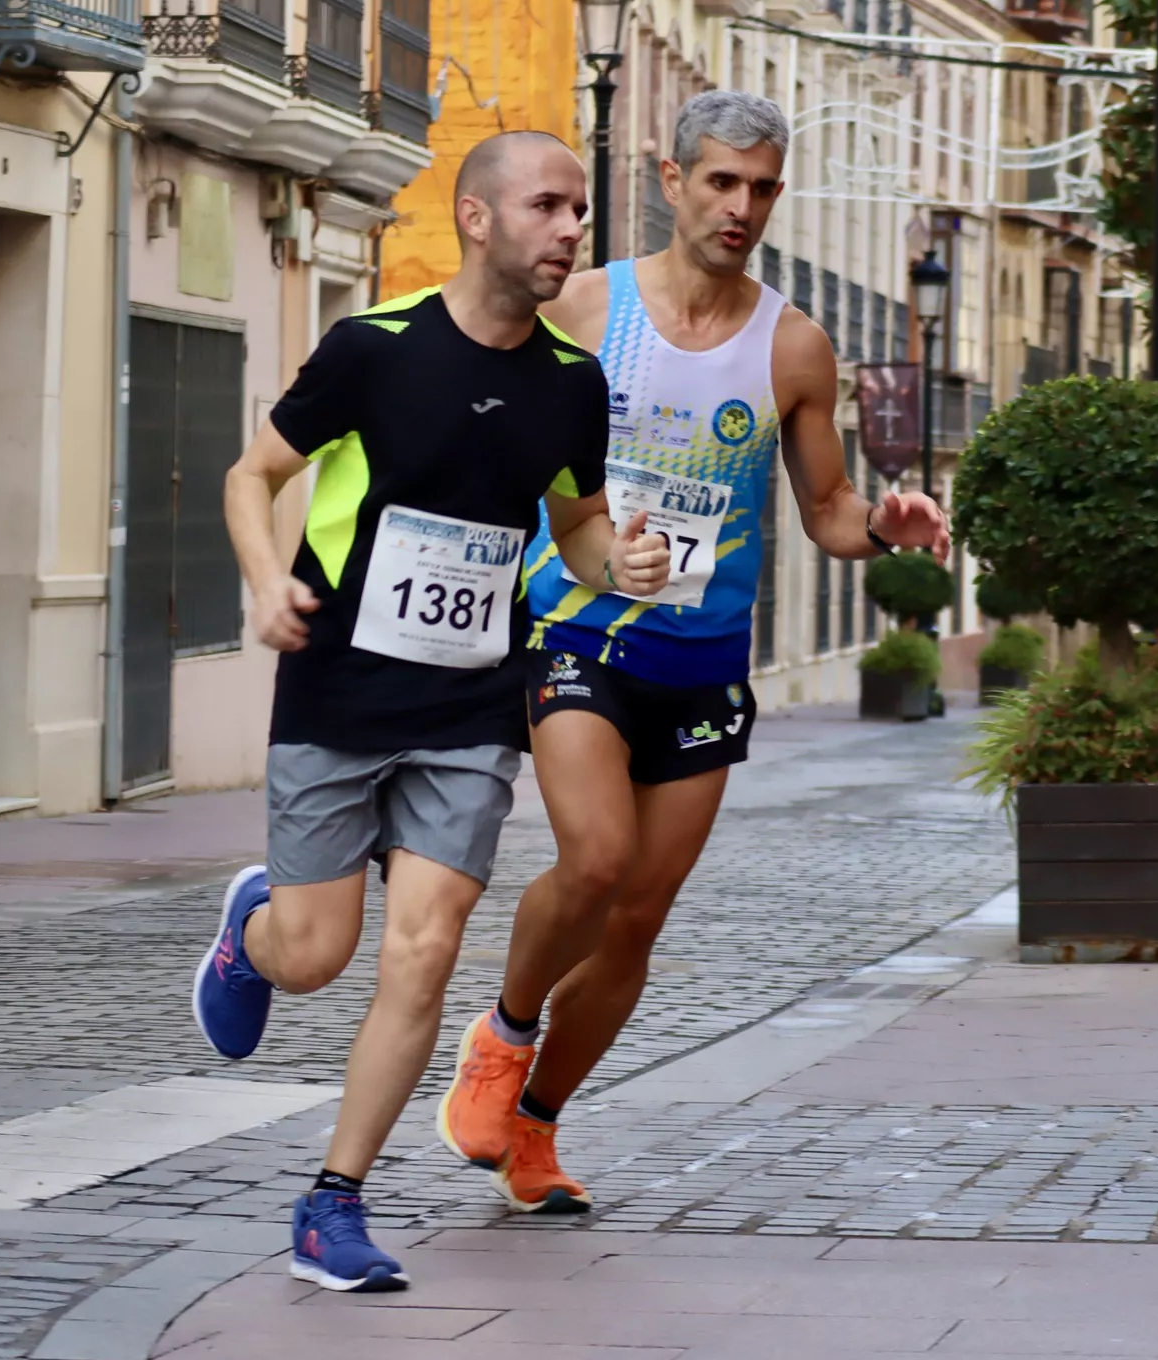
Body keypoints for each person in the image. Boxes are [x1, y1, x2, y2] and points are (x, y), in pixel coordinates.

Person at [433, 91, 948, 1214]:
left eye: (762, 186)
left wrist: (885, 528)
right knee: (598, 857)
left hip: (702, 660)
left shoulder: (793, 344)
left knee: (638, 915)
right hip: (579, 627)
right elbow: (485, 413)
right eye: (721, 181)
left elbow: (827, 509)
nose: (742, 206)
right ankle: (504, 1033)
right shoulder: (582, 307)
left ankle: (536, 1125)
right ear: (671, 180)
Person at [196, 132, 670, 1291]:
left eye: (578, 212)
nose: (571, 230)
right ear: (475, 217)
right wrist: (267, 582)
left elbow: (578, 533)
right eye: (548, 208)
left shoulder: (572, 386)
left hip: (470, 703)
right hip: (338, 687)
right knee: (318, 956)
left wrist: (627, 562)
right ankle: (255, 932)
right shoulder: (374, 347)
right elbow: (250, 477)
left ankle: (334, 1203)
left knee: (425, 948)